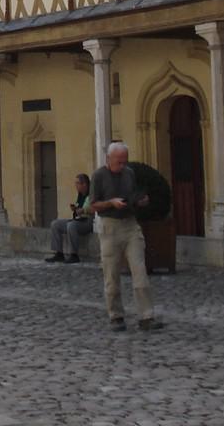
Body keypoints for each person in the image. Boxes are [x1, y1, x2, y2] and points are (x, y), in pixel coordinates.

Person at [90, 142, 159, 331]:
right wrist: (111, 202)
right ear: (108, 159)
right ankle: (116, 315)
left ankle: (146, 316)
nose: (122, 165)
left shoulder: (129, 173)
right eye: (118, 162)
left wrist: (141, 201)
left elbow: (133, 195)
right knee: (111, 274)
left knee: (140, 270)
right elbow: (93, 205)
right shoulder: (99, 176)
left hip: (130, 225)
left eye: (124, 161)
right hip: (109, 226)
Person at [45, 173, 94, 264]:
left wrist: (83, 210)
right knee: (55, 224)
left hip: (88, 221)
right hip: (78, 219)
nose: (76, 185)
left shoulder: (92, 194)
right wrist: (75, 209)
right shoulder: (80, 194)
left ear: (84, 184)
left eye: (78, 183)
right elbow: (79, 207)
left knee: (71, 226)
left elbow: (94, 209)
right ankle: (59, 253)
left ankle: (74, 255)